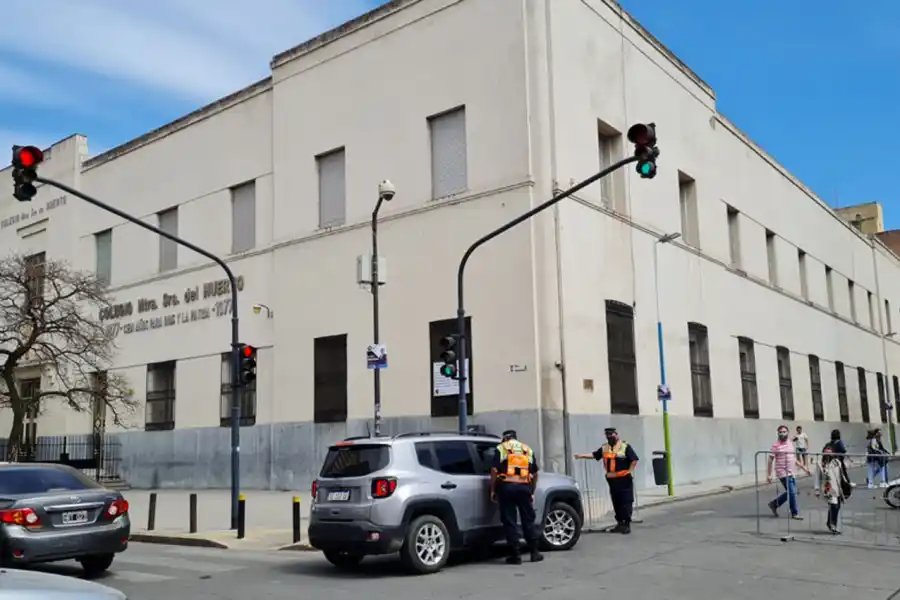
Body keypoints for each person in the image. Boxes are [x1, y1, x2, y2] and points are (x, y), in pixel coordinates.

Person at [490, 429, 544, 565]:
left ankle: (515, 555)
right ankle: (534, 552)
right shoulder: (527, 449)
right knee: (528, 519)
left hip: (506, 487)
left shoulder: (501, 448)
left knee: (510, 520)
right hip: (524, 487)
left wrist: (492, 489)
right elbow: (536, 473)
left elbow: (494, 470)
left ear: (505, 438)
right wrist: (531, 490)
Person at [574, 427, 639, 534]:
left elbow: (634, 459)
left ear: (616, 435)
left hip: (624, 479)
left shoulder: (625, 446)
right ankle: (619, 523)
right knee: (616, 501)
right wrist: (581, 456)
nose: (609, 437)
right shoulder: (605, 448)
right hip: (612, 480)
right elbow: (595, 455)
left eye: (611, 435)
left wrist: (629, 471)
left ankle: (626, 524)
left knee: (626, 501)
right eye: (607, 435)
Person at [766, 424, 811, 519]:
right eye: (780, 432)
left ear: (787, 433)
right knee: (792, 492)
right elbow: (770, 460)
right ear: (777, 433)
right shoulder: (775, 446)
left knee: (792, 492)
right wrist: (769, 475)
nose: (782, 433)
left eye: (784, 432)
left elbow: (793, 459)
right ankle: (794, 513)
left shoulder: (790, 443)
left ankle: (774, 504)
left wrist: (804, 468)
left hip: (791, 472)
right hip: (782, 472)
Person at [817, 445, 849, 534]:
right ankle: (832, 525)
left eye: (830, 452)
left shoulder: (837, 462)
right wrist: (816, 490)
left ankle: (830, 522)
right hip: (828, 488)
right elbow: (817, 477)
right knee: (834, 505)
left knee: (837, 507)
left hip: (837, 487)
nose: (828, 455)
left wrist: (847, 483)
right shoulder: (820, 464)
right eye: (826, 452)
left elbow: (842, 474)